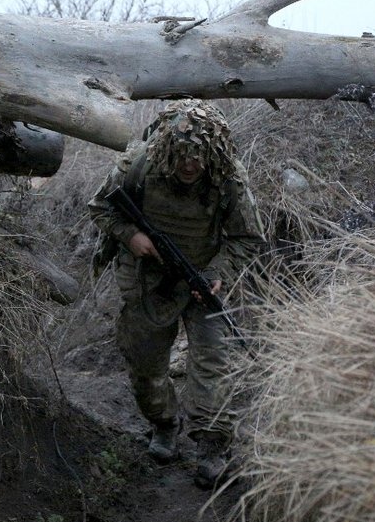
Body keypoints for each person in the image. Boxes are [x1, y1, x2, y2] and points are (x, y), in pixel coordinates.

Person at [87, 99, 265, 489]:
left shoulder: (228, 179)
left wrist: (218, 273)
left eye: (198, 158)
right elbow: (101, 207)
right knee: (146, 366)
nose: (190, 166)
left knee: (215, 364)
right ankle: (165, 424)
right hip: (149, 280)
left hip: (204, 282)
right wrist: (131, 236)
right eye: (183, 157)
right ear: (168, 150)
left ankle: (212, 447)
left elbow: (247, 238)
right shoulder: (138, 166)